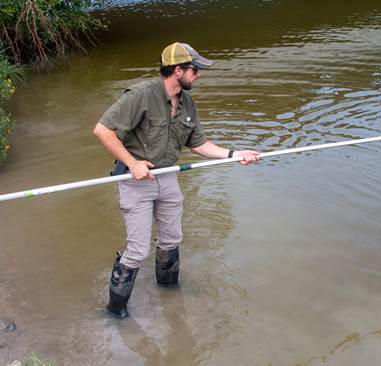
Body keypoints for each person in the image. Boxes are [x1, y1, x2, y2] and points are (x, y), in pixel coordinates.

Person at [93, 42, 260, 319]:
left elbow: (200, 144)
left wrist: (234, 154)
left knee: (171, 239)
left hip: (167, 176)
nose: (199, 75)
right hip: (137, 180)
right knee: (137, 249)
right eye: (195, 70)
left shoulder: (187, 102)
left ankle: (169, 295)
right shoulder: (140, 95)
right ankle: (115, 312)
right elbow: (102, 130)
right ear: (178, 70)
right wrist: (133, 163)